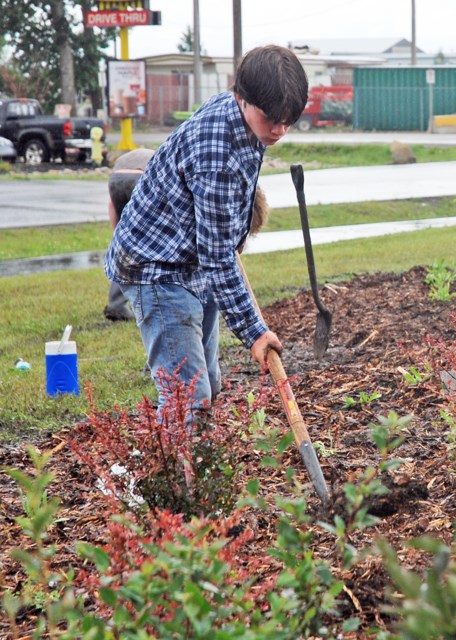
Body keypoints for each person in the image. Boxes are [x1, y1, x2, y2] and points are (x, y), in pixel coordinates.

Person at [105, 44, 307, 414]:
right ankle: (179, 470)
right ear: (242, 98)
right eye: (271, 118)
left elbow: (218, 237)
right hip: (158, 268)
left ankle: (198, 465)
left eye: (288, 119)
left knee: (208, 385)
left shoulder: (245, 118)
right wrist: (255, 332)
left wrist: (234, 233)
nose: (279, 129)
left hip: (190, 257)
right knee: (188, 396)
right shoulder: (216, 153)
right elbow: (216, 257)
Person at [103, 147, 155, 321]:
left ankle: (116, 304)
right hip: (140, 178)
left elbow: (112, 204)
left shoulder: (133, 157)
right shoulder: (160, 158)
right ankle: (150, 304)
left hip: (116, 178)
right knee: (149, 247)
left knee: (128, 248)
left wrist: (118, 235)